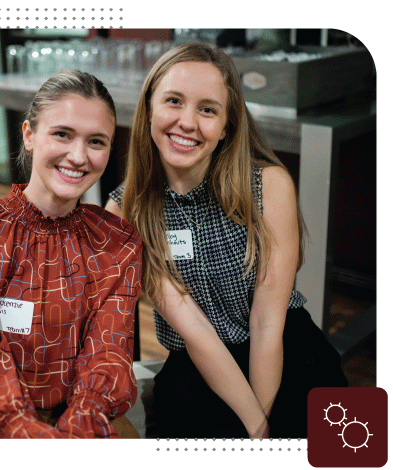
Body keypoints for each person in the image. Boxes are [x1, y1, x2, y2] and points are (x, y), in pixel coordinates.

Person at [106, 43, 347, 439]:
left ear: (227, 127)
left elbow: (268, 322)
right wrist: (255, 427)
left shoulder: (268, 185)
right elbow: (196, 330)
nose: (187, 121)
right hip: (197, 356)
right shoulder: (126, 212)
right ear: (149, 108)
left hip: (283, 341)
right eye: (173, 101)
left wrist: (263, 430)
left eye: (207, 109)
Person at [0, 70, 143, 439]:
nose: (78, 156)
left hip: (88, 418)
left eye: (96, 141)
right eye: (62, 134)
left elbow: (108, 351)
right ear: (30, 136)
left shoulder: (118, 241)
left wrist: (81, 423)